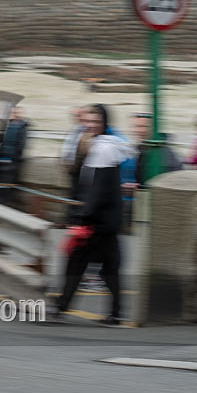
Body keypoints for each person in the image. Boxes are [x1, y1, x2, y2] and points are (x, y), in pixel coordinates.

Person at [53, 104, 136, 325]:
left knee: (79, 264)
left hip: (100, 222)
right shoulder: (100, 145)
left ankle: (62, 307)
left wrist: (81, 218)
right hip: (105, 220)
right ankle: (116, 312)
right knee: (108, 269)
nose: (90, 125)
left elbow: (99, 189)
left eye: (95, 121)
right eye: (88, 121)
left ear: (104, 123)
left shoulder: (104, 149)